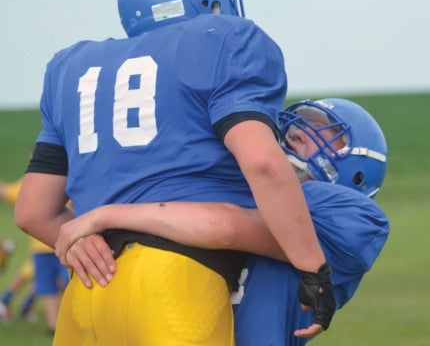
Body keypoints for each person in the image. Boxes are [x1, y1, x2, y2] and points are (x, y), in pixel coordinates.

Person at [14, 0, 335, 345]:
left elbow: (32, 212)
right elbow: (263, 163)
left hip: (88, 293)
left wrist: (86, 242)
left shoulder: (69, 67)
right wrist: (315, 269)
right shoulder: (224, 40)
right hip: (177, 281)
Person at [55, 98, 389, 345]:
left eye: (322, 131)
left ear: (359, 170)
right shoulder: (239, 188)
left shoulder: (357, 219)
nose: (296, 133)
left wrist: (106, 218)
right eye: (298, 124)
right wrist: (92, 239)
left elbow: (228, 227)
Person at [0, 177, 69, 333]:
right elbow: (7, 192)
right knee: (43, 282)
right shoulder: (30, 183)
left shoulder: (65, 178)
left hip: (64, 244)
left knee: (60, 281)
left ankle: (15, 302)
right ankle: (51, 325)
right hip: (42, 246)